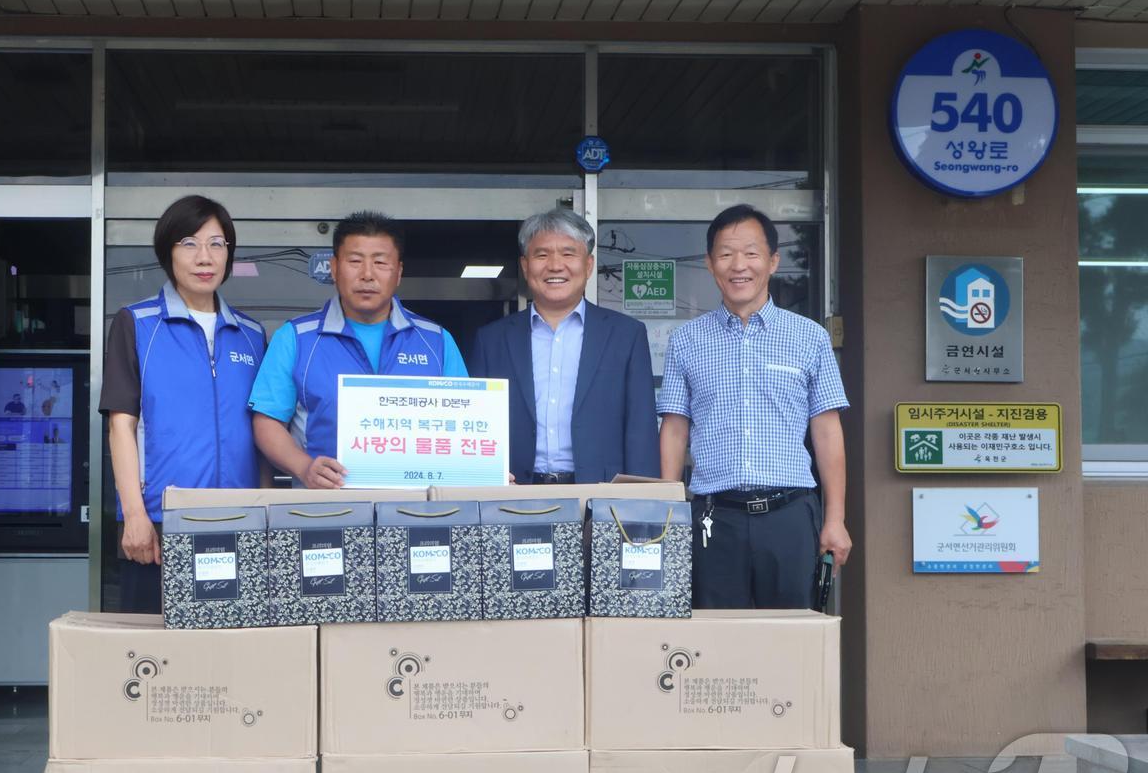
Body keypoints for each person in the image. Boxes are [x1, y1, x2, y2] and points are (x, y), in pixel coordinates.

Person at [659, 204, 851, 609]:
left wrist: (835, 519)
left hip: (790, 515)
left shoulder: (810, 338)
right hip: (715, 516)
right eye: (726, 254)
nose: (738, 265)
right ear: (711, 264)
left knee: (792, 640)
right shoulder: (686, 341)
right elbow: (675, 429)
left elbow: (827, 432)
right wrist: (668, 511)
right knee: (715, 647)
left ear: (773, 261)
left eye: (750, 252)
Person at [99, 195, 268, 613]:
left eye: (217, 244)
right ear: (167, 252)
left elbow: (264, 428)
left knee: (233, 657)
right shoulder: (136, 324)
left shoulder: (251, 334)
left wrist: (268, 513)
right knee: (159, 658)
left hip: (239, 521)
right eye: (189, 243)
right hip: (161, 523)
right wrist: (134, 515)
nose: (204, 257)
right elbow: (121, 425)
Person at [250, 211, 469, 488]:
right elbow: (267, 422)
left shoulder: (436, 340)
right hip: (324, 512)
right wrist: (304, 468)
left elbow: (464, 427)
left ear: (398, 272)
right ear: (334, 268)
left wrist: (486, 472)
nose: (367, 275)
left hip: (415, 514)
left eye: (380, 262)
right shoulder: (296, 338)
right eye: (355, 261)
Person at [469, 208, 659, 484]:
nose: (555, 265)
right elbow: (476, 427)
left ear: (589, 265)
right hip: (514, 496)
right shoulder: (492, 340)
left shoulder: (626, 335)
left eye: (568, 254)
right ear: (525, 265)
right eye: (542, 255)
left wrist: (641, 505)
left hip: (601, 498)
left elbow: (641, 430)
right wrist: (483, 477)